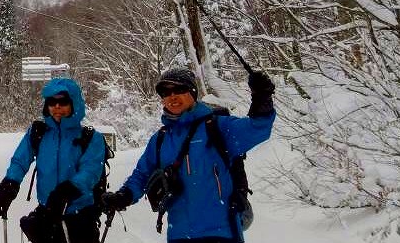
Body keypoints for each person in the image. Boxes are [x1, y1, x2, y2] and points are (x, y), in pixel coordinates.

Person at [101, 67, 276, 242]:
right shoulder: (160, 139)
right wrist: (123, 197)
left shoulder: (218, 127)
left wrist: (262, 97)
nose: (172, 96)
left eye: (179, 89)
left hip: (220, 233)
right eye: (166, 92)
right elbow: (141, 175)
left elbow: (258, 128)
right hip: (179, 234)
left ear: (192, 92)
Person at [0, 78, 108, 243]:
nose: (57, 107)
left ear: (74, 103)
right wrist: (10, 183)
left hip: (80, 215)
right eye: (52, 102)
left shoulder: (90, 137)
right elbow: (20, 161)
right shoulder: (38, 133)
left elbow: (91, 171)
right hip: (47, 213)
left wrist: (67, 191)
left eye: (63, 102)